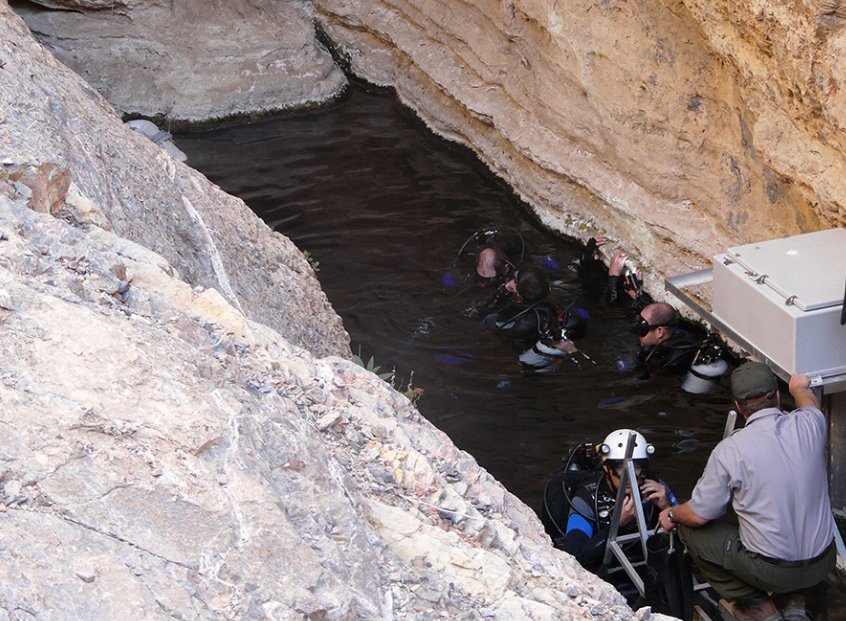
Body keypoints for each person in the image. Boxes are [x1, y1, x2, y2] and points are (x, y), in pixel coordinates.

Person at [658, 363, 837, 621]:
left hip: (773, 571)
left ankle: (759, 607)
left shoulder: (730, 451)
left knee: (689, 529)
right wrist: (799, 387)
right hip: (823, 562)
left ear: (738, 407)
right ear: (777, 397)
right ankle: (794, 603)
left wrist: (671, 514)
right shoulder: (811, 425)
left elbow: (698, 515)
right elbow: (808, 402)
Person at [557, 429, 675, 573]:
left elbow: (688, 536)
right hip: (606, 572)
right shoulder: (587, 498)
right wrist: (617, 525)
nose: (630, 476)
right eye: (621, 468)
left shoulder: (656, 489)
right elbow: (574, 556)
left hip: (649, 568)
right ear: (606, 467)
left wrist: (668, 508)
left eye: (636, 467)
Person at [632, 302, 700, 376]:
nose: (638, 334)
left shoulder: (676, 359)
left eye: (642, 330)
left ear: (659, 332)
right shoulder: (670, 336)